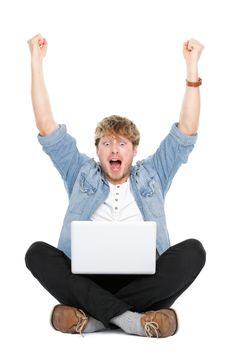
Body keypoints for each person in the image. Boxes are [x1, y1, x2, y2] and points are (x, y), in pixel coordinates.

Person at [25, 34, 206, 338]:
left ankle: (94, 319)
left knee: (194, 252)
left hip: (144, 281)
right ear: (97, 150)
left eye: (122, 143)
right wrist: (36, 63)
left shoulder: (153, 174)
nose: (114, 149)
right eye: (106, 143)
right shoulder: (80, 171)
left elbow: (186, 131)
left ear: (134, 150)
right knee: (36, 253)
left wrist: (192, 70)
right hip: (88, 279)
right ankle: (134, 319)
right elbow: (47, 126)